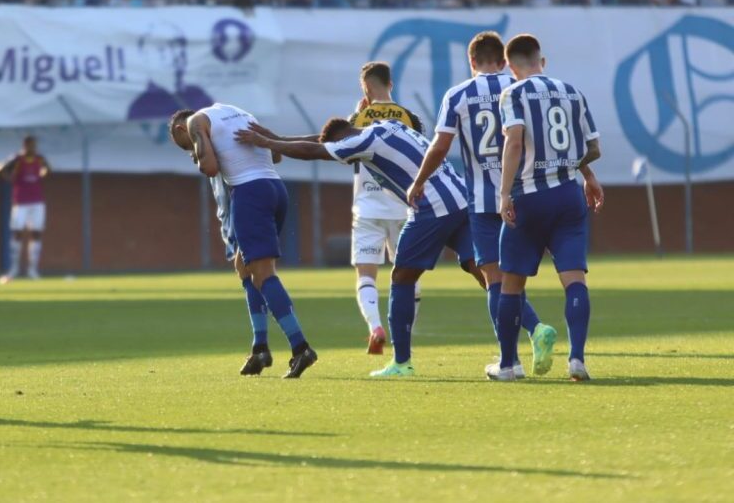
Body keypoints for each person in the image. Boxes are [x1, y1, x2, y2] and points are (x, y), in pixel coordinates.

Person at [236, 115, 487, 379]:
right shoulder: (387, 125)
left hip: (430, 207)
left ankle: (401, 363)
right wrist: (275, 138)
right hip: (460, 196)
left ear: (344, 140)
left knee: (401, 277)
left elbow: (315, 150)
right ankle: (529, 334)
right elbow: (319, 141)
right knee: (484, 269)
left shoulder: (360, 142)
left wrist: (264, 141)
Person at [407, 31, 557, 378]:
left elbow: (440, 146)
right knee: (515, 278)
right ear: (505, 60)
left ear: (471, 61)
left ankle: (511, 360)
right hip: (525, 194)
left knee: (494, 280)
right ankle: (536, 332)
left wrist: (419, 181)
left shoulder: (458, 94)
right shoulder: (522, 88)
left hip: (483, 201)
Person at [168, 104, 318, 378]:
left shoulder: (195, 122)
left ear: (181, 129)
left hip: (249, 193)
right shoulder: (237, 113)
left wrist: (202, 157)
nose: (191, 149)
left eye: (186, 145)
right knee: (244, 268)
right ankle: (260, 348)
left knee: (263, 275)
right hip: (275, 188)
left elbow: (211, 168)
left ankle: (301, 347)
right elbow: (275, 154)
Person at [493, 34, 604, 382]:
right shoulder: (572, 91)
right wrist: (582, 172)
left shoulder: (513, 93)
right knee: (574, 279)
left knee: (510, 283)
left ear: (511, 66)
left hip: (528, 196)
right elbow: (594, 147)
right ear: (543, 61)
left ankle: (509, 365)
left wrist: (504, 193)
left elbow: (513, 142)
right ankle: (577, 360)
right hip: (569, 196)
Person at [0, 136, 50, 283]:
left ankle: (32, 269)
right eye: (30, 145)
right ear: (25, 145)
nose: (33, 147)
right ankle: (14, 268)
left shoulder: (39, 158)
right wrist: (10, 178)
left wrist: (42, 174)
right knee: (17, 233)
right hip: (20, 202)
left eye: (34, 145)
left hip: (37, 202)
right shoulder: (17, 159)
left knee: (36, 233)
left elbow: (48, 170)